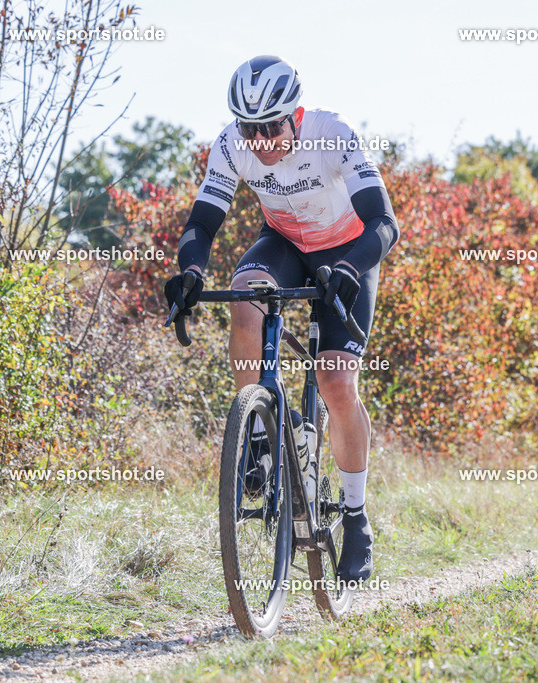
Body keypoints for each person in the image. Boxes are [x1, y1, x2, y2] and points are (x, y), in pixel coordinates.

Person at [164, 55, 399, 582]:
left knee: (336, 382)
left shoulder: (331, 132)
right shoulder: (231, 144)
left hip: (347, 251)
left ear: (295, 114)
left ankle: (356, 516)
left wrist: (348, 267)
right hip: (286, 243)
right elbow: (202, 221)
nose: (262, 141)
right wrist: (191, 272)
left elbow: (384, 224)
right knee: (245, 295)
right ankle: (266, 430)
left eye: (272, 126)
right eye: (251, 129)